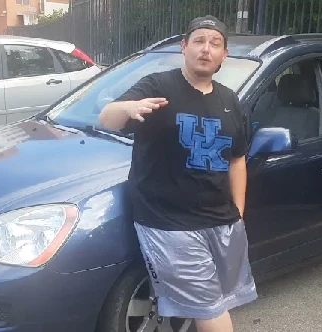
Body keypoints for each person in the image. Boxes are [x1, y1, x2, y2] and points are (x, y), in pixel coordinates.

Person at [98, 15, 256, 332]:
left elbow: (237, 159)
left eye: (215, 43)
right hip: (170, 222)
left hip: (221, 221)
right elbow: (106, 118)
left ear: (224, 55)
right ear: (184, 47)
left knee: (217, 301)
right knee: (210, 309)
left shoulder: (230, 100)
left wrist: (238, 211)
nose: (206, 49)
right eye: (198, 41)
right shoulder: (159, 86)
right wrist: (126, 109)